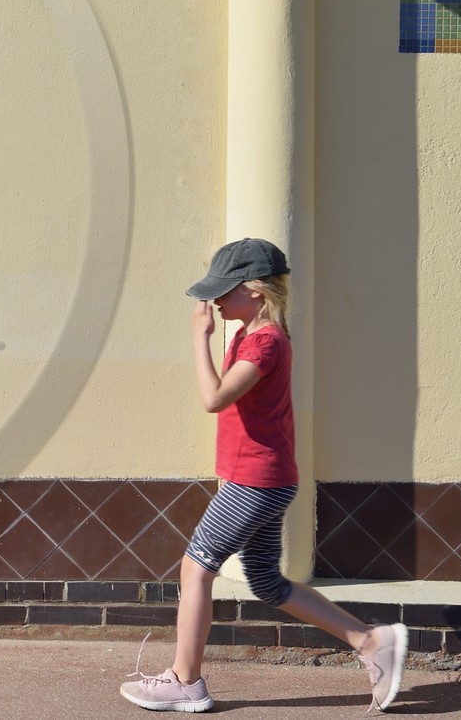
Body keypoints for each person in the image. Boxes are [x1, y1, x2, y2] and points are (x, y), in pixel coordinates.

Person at [119, 238, 407, 713]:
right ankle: (371, 643)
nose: (214, 300)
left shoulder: (266, 342)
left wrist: (198, 336)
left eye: (224, 290)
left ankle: (185, 681)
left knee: (196, 567)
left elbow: (214, 398)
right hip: (260, 479)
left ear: (255, 291)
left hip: (257, 482)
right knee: (268, 584)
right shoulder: (252, 335)